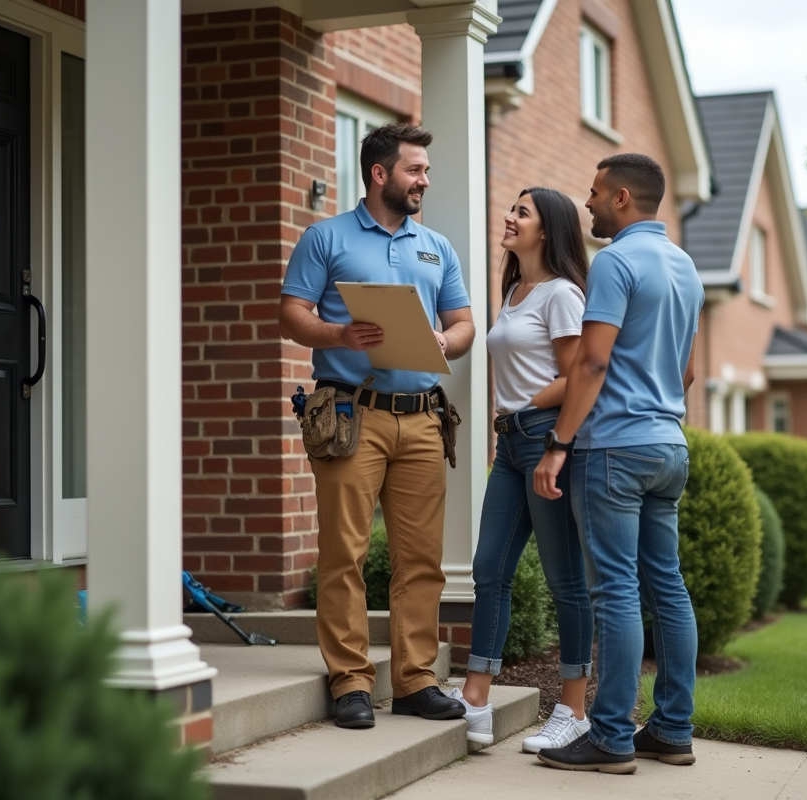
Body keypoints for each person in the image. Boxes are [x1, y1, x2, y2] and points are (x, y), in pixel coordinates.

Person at [280, 123, 475, 729]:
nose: (424, 181)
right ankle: (350, 682)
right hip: (348, 416)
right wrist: (340, 334)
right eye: (415, 170)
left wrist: (445, 339)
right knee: (344, 554)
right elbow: (291, 314)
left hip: (420, 420)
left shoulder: (437, 246)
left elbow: (465, 324)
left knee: (422, 559)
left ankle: (415, 679)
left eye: (426, 171)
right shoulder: (325, 236)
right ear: (379, 174)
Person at [532, 154, 703, 774]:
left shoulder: (616, 262)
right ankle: (673, 730)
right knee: (668, 586)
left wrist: (558, 443)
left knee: (615, 593)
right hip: (670, 446)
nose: (588, 203)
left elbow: (591, 364)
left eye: (597, 192)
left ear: (624, 198)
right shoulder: (685, 267)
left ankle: (609, 737)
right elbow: (686, 372)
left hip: (614, 450)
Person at [446, 188, 594, 752]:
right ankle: (477, 698)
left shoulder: (561, 295)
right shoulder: (514, 291)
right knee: (489, 568)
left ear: (547, 231)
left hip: (544, 439)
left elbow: (578, 375)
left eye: (522, 212)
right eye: (512, 208)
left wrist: (529, 413)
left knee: (565, 581)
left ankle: (574, 709)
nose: (509, 217)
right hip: (509, 447)